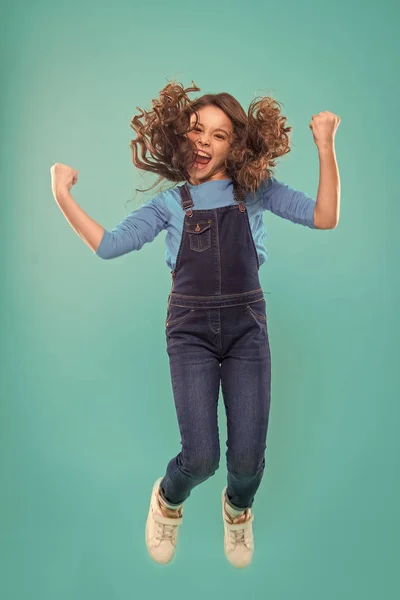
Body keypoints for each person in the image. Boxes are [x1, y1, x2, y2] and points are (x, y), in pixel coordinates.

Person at [50, 81, 340, 569]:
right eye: (196, 130)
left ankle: (238, 510)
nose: (204, 141)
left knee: (247, 463)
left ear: (235, 146)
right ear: (180, 137)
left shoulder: (256, 192)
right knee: (201, 458)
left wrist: (325, 147)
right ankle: (167, 500)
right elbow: (107, 245)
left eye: (219, 135)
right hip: (190, 334)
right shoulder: (169, 205)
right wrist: (60, 193)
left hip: (247, 329)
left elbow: (325, 216)